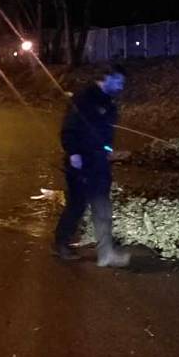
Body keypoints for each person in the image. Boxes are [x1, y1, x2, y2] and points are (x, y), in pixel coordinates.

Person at [52, 64, 131, 267]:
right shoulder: (83, 99)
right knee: (77, 205)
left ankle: (106, 253)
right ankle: (61, 242)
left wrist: (107, 151)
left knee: (101, 206)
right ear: (105, 78)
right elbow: (69, 129)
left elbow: (103, 134)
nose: (122, 86)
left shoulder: (108, 103)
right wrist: (74, 153)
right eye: (119, 81)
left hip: (98, 162)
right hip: (81, 162)